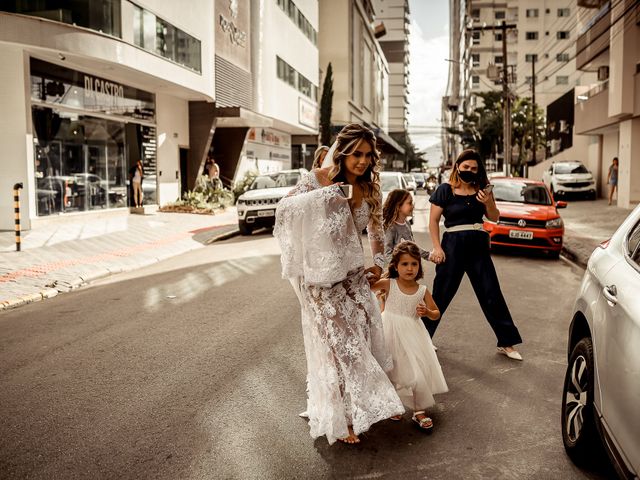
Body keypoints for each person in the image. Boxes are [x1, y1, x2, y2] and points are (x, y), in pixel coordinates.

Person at [273, 123, 404, 445]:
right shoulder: (315, 179)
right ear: (342, 151)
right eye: (356, 154)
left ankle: (370, 402)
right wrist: (326, 195)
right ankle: (339, 418)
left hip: (355, 276)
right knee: (339, 347)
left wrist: (380, 266)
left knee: (364, 336)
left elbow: (375, 230)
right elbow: (284, 210)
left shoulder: (371, 186)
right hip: (321, 280)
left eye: (367, 155)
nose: (362, 161)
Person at [427, 149, 523, 361]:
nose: (469, 171)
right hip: (452, 245)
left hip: (478, 244)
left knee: (491, 292)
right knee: (441, 293)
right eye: (466, 167)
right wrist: (437, 247)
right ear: (457, 167)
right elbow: (433, 221)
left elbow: (494, 217)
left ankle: (506, 342)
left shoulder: (483, 190)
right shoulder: (445, 190)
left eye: (474, 168)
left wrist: (488, 202)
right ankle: (423, 338)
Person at [370, 242, 448, 430]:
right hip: (389, 330)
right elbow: (366, 293)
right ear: (395, 266)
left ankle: (418, 409)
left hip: (413, 334)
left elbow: (436, 312)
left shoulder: (422, 290)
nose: (410, 268)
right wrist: (377, 296)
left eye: (414, 264)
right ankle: (393, 404)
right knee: (391, 368)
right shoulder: (389, 283)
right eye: (404, 264)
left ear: (419, 267)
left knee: (415, 370)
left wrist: (427, 312)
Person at [382, 189, 431, 264]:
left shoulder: (407, 224)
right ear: (398, 206)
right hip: (396, 272)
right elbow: (387, 254)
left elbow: (413, 247)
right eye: (410, 203)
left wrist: (428, 256)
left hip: (409, 268)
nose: (413, 206)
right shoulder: (391, 228)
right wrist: (398, 267)